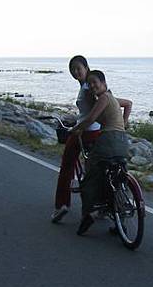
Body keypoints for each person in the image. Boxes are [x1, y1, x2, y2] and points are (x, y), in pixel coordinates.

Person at [70, 69, 132, 234]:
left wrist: (76, 129)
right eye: (89, 84)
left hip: (108, 140)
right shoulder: (112, 98)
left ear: (104, 83)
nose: (91, 86)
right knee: (117, 178)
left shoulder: (103, 98)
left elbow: (90, 119)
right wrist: (124, 124)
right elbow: (129, 103)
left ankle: (90, 213)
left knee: (89, 176)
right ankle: (120, 220)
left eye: (94, 83)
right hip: (122, 142)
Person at [51, 55, 102, 223]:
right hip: (95, 131)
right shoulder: (87, 84)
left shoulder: (88, 86)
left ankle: (61, 205)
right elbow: (88, 111)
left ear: (86, 67)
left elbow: (97, 105)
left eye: (78, 68)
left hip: (84, 132)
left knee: (67, 165)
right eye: (72, 70)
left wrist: (79, 126)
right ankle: (102, 204)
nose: (75, 72)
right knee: (96, 168)